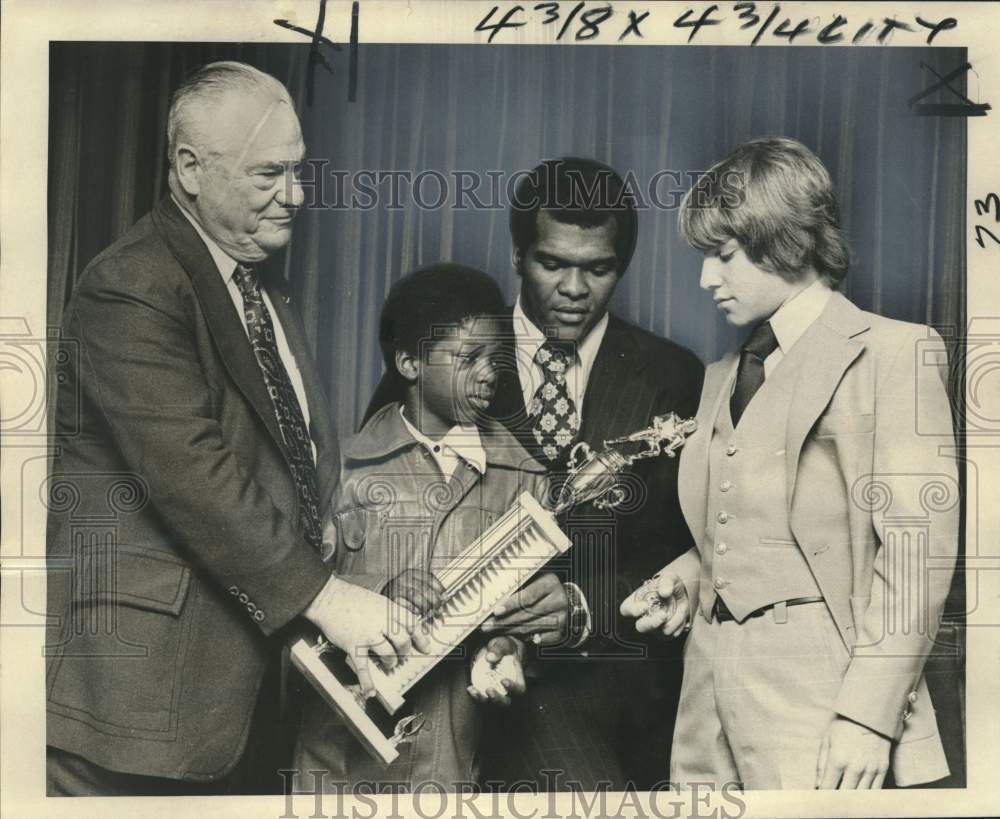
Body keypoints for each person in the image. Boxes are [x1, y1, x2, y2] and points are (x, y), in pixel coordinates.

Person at [45, 61, 426, 796]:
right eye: (269, 175)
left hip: (239, 703)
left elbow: (297, 467)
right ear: (189, 169)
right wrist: (329, 599)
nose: (296, 196)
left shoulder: (259, 286)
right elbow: (193, 473)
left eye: (299, 171)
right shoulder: (131, 285)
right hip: (139, 709)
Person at [621, 137, 959, 790]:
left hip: (824, 703)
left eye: (722, 256)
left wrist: (868, 716)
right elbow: (758, 524)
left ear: (788, 241)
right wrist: (689, 577)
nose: (705, 280)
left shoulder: (892, 353)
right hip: (707, 707)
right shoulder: (722, 375)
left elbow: (918, 550)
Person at [366, 157, 704, 790]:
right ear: (518, 255)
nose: (574, 287)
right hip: (437, 685)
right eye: (553, 263)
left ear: (622, 267)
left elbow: (683, 547)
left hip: (598, 697)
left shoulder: (674, 377)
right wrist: (396, 582)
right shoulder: (441, 351)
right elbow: (376, 495)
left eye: (598, 268)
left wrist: (582, 605)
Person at [294, 263, 548, 791]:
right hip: (338, 771)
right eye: (468, 357)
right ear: (409, 362)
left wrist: (513, 652)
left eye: (495, 357)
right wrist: (374, 599)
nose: (489, 373)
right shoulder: (340, 468)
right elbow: (292, 602)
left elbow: (526, 620)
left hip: (454, 770)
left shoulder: (524, 477)